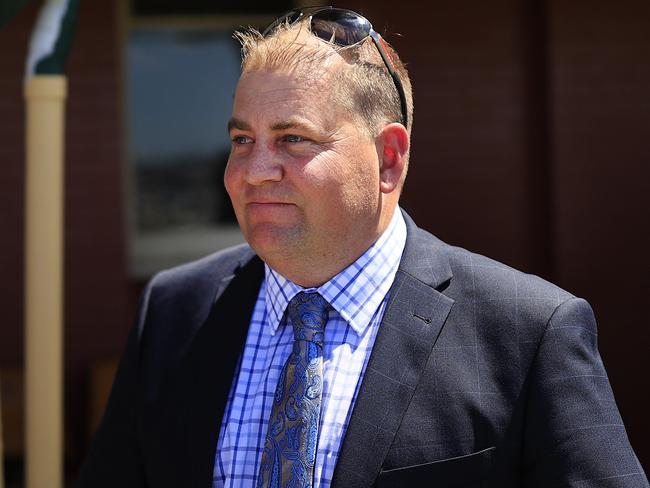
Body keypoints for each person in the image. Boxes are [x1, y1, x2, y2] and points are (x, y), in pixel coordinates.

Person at [79, 7, 648, 488]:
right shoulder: (175, 310)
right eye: (242, 140)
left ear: (388, 159)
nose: (252, 171)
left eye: (292, 138)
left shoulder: (528, 332)